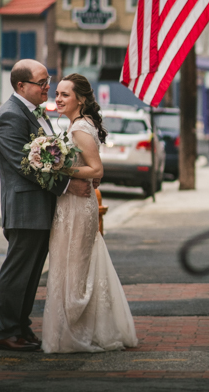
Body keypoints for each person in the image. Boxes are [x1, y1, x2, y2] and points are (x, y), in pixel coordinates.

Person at [0, 60, 93, 352]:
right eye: (42, 82)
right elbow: (25, 166)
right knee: (18, 270)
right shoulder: (10, 116)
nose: (48, 86)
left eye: (48, 80)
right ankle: (6, 331)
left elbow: (51, 158)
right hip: (25, 207)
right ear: (22, 86)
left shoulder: (32, 112)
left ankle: (21, 327)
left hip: (40, 207)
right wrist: (67, 185)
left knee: (32, 272)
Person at [41, 73, 137, 353]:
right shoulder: (80, 125)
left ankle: (77, 332)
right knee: (74, 265)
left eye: (65, 95)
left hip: (77, 206)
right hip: (73, 204)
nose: (58, 98)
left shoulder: (79, 128)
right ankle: (80, 328)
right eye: (57, 93)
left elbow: (96, 170)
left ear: (80, 99)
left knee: (75, 266)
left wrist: (59, 169)